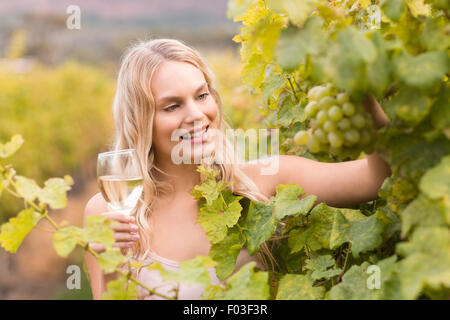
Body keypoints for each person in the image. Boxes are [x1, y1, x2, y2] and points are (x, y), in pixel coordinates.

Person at [83, 38, 391, 300]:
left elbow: (377, 179)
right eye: (172, 106)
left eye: (202, 96)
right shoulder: (109, 211)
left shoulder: (262, 179)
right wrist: (111, 264)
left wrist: (362, 97)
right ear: (141, 122)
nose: (197, 115)